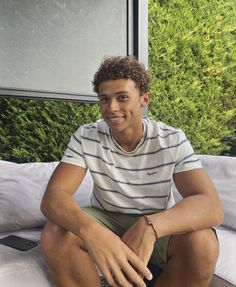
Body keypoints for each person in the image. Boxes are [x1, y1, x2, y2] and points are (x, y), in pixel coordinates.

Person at [40, 56, 224, 287]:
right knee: (55, 233)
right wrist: (91, 232)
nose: (112, 108)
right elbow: (54, 197)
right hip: (105, 218)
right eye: (105, 99)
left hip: (157, 221)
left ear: (144, 99)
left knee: (203, 242)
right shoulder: (87, 136)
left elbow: (211, 206)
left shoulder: (171, 139)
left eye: (122, 97)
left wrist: (151, 226)